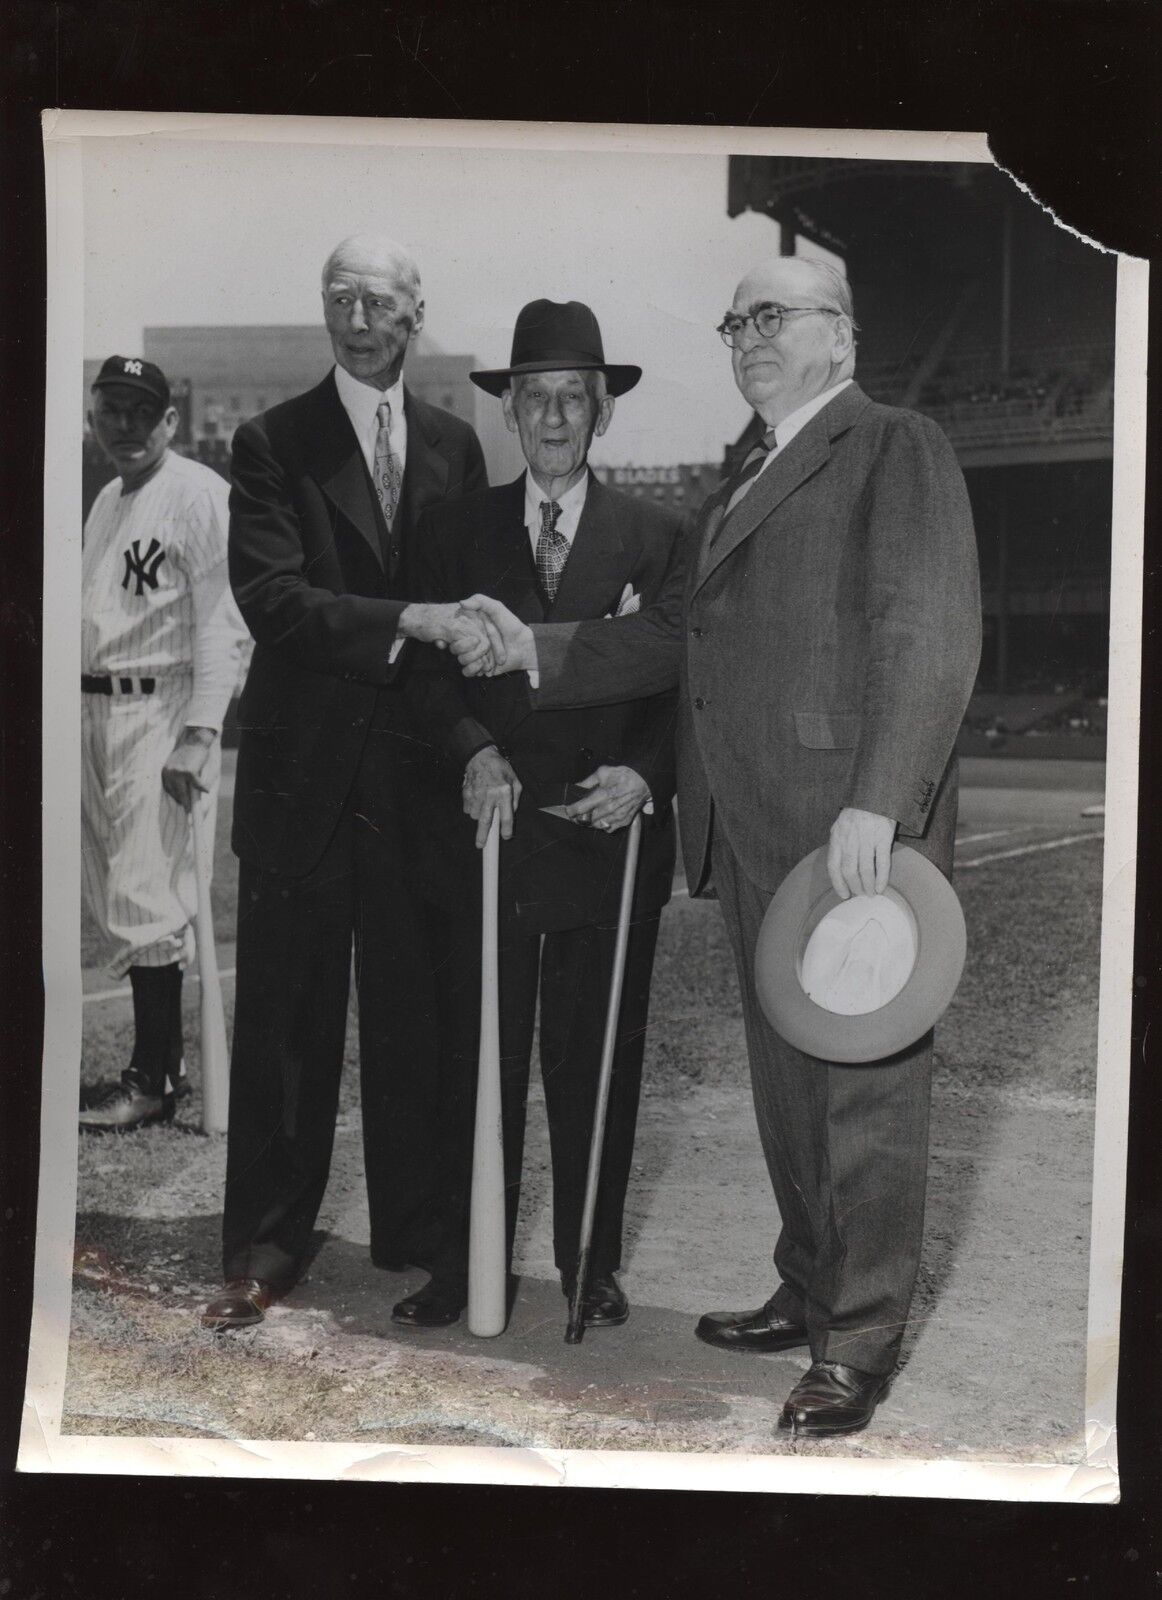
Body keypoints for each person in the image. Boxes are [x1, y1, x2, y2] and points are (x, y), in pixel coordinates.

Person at [463, 258, 981, 1436]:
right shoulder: (743, 473)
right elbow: (669, 637)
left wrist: (880, 802)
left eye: (772, 316)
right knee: (788, 1077)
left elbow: (928, 628)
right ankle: (808, 1281)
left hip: (844, 827)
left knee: (861, 1085)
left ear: (838, 341)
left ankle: (858, 1334)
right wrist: (532, 650)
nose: (746, 334)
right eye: (735, 319)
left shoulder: (893, 444)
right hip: (749, 825)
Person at [202, 235, 497, 1331]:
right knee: (288, 1026)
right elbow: (274, 602)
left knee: (414, 1021)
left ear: (415, 313)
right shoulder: (272, 442)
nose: (356, 314)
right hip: (303, 786)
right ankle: (263, 1247)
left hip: (415, 779)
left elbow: (469, 598)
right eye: (338, 296)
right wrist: (407, 620)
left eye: (376, 298)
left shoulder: (456, 448)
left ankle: (418, 1236)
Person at [390, 300, 682, 1331]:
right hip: (488, 836)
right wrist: (473, 753)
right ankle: (460, 1263)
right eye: (535, 398)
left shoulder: (657, 536)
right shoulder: (452, 530)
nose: (554, 416)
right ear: (509, 412)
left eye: (573, 397)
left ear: (601, 413)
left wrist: (646, 777)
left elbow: (678, 683)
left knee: (592, 1057)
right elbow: (424, 685)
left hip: (607, 835)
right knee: (474, 1052)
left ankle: (588, 1263)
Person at [80, 356, 250, 1133]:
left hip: (161, 710)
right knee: (116, 893)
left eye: (141, 413)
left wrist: (202, 730)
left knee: (149, 893)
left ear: (170, 421)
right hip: (97, 713)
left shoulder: (198, 493)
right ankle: (154, 1071)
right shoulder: (108, 501)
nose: (125, 425)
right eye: (112, 409)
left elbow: (226, 623)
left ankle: (152, 1079)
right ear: (94, 416)